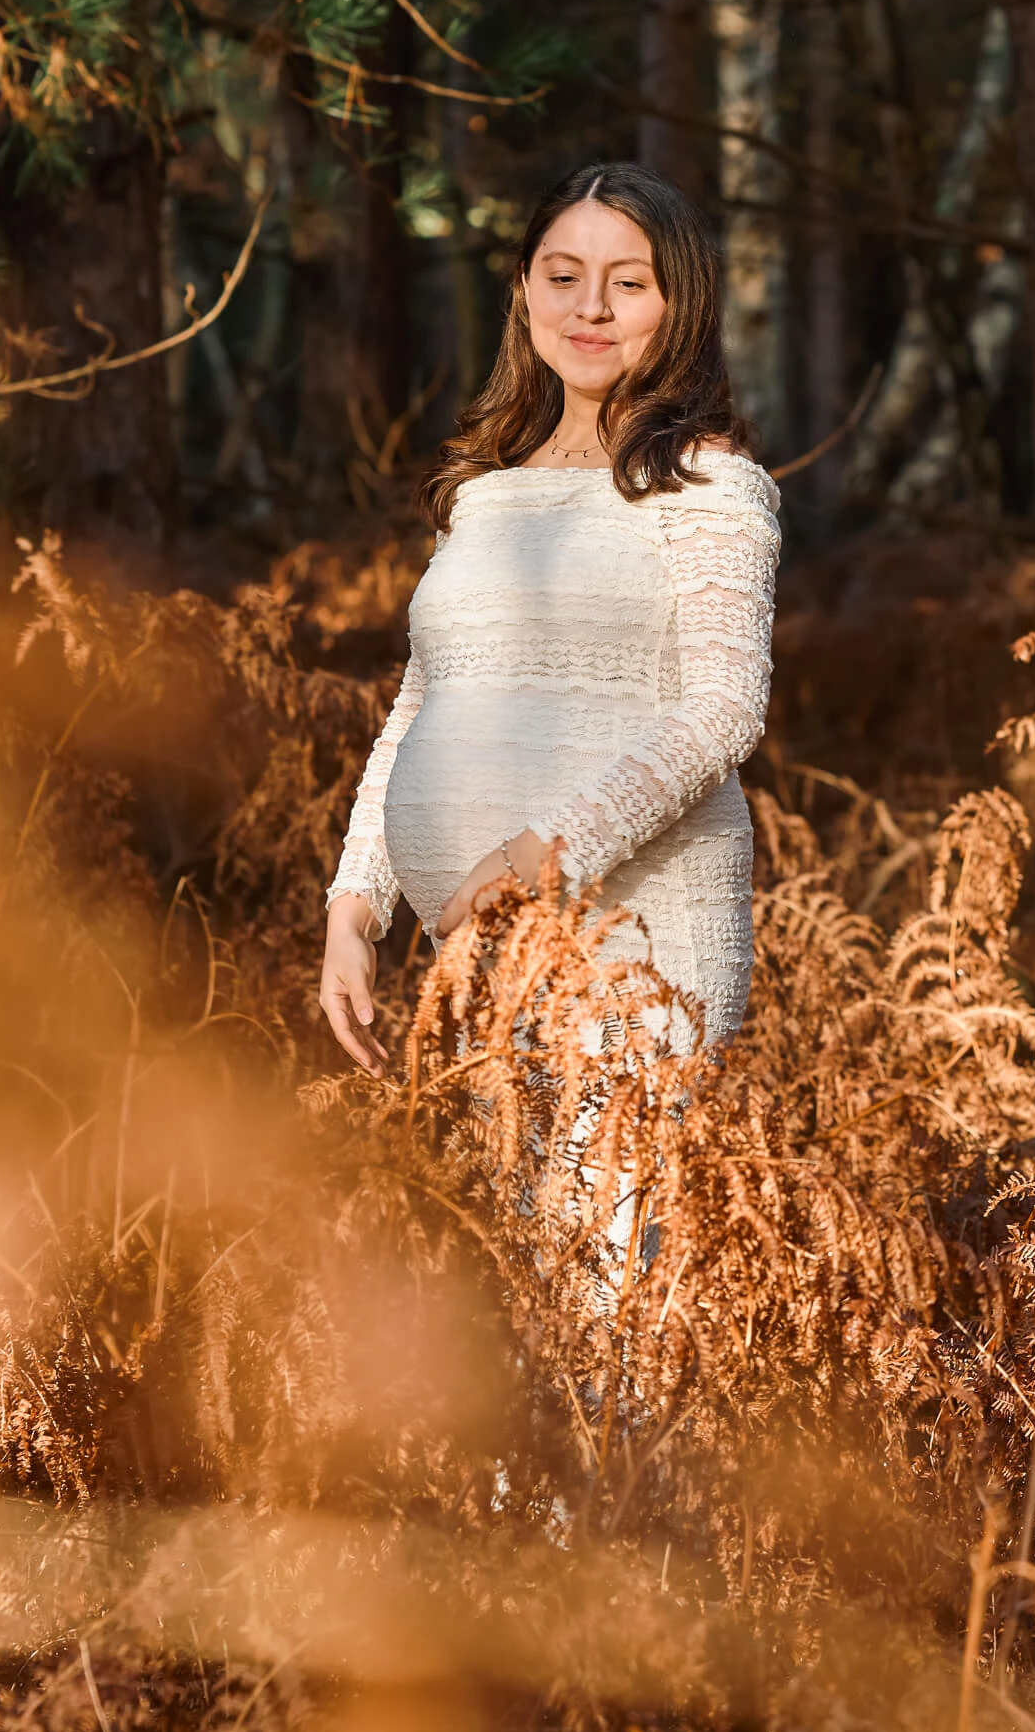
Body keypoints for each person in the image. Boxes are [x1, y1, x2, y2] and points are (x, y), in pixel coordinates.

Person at [319, 161, 782, 1078]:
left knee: (610, 1221)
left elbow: (723, 711)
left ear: (677, 303)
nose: (591, 308)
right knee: (522, 1226)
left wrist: (534, 865)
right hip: (481, 952)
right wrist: (354, 908)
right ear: (525, 290)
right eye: (563, 276)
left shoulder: (709, 487)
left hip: (639, 937)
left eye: (629, 282)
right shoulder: (485, 493)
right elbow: (421, 709)